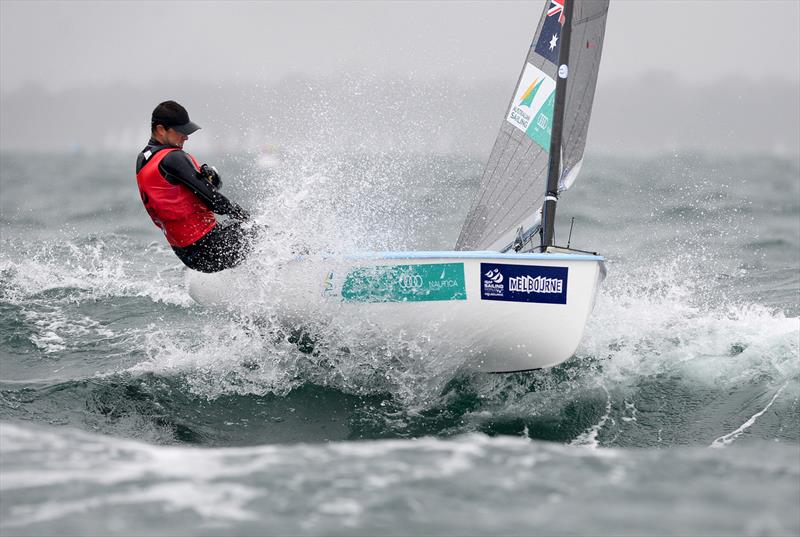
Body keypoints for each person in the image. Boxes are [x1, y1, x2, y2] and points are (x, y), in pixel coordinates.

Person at [136, 100, 255, 273]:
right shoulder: (172, 158)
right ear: (161, 129)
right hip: (211, 247)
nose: (186, 137)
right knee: (267, 234)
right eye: (181, 131)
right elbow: (212, 199)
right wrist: (245, 216)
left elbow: (188, 190)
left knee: (242, 231)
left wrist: (210, 179)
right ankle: (300, 264)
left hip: (188, 254)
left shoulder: (143, 159)